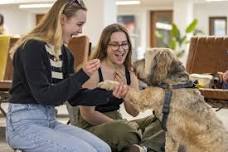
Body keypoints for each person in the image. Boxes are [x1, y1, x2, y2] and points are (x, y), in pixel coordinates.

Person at [6, 0, 127, 152]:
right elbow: (45, 96)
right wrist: (82, 74)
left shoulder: (65, 53)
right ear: (62, 20)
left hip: (49, 120)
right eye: (79, 24)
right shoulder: (32, 47)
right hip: (23, 124)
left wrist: (110, 94)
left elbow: (74, 97)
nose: (80, 30)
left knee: (103, 149)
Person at [76, 23, 165, 152]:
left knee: (165, 120)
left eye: (124, 44)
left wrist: (126, 92)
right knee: (126, 132)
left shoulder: (130, 74)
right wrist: (120, 124)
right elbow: (87, 114)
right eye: (115, 44)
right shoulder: (94, 71)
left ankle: (142, 148)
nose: (120, 49)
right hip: (91, 125)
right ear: (105, 46)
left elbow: (134, 112)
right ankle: (147, 145)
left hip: (119, 122)